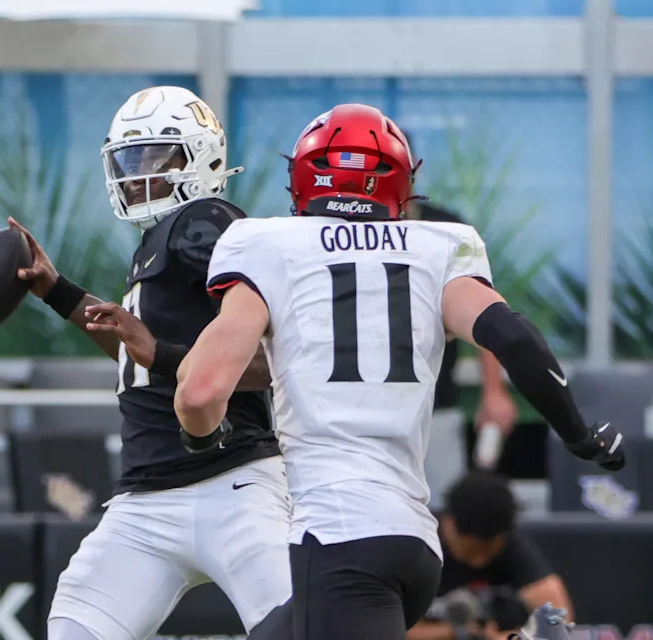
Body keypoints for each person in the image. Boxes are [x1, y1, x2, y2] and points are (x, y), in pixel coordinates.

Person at [173, 103, 626, 640]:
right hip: (414, 542)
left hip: (342, 536)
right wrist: (578, 432)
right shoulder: (438, 246)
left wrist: (200, 439)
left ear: (302, 177)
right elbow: (511, 335)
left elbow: (200, 392)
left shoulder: (265, 243)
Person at [5, 86, 291, 640]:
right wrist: (58, 291)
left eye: (158, 159)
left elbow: (275, 356)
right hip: (147, 498)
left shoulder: (205, 221)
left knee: (299, 627)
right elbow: (139, 355)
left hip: (232, 480)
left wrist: (162, 353)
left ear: (201, 158)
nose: (139, 175)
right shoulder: (160, 242)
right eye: (131, 160)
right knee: (75, 629)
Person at [404, 194, 518, 504]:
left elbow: (484, 307)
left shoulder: (447, 230)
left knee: (445, 510)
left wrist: (494, 390)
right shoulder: (341, 228)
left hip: (436, 399)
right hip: (360, 403)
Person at [411, 471, 573, 640]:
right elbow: (389, 626)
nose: (479, 561)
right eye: (471, 551)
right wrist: (454, 633)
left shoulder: (512, 546)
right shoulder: (418, 545)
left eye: (488, 551)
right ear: (449, 525)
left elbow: (558, 620)